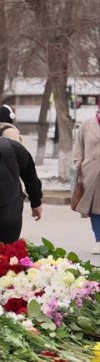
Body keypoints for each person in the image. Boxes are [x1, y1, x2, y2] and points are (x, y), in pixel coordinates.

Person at [72, 108, 100, 254]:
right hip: (91, 173)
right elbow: (78, 148)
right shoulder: (87, 125)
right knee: (95, 209)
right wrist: (78, 165)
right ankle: (99, 240)